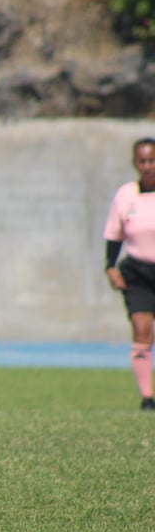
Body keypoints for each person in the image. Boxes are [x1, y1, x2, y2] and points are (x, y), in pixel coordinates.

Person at [104, 137, 155, 411]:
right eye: (142, 161)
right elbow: (114, 235)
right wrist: (110, 267)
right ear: (135, 163)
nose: (147, 166)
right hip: (137, 271)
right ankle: (147, 398)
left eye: (152, 160)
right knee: (142, 330)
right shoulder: (126, 195)